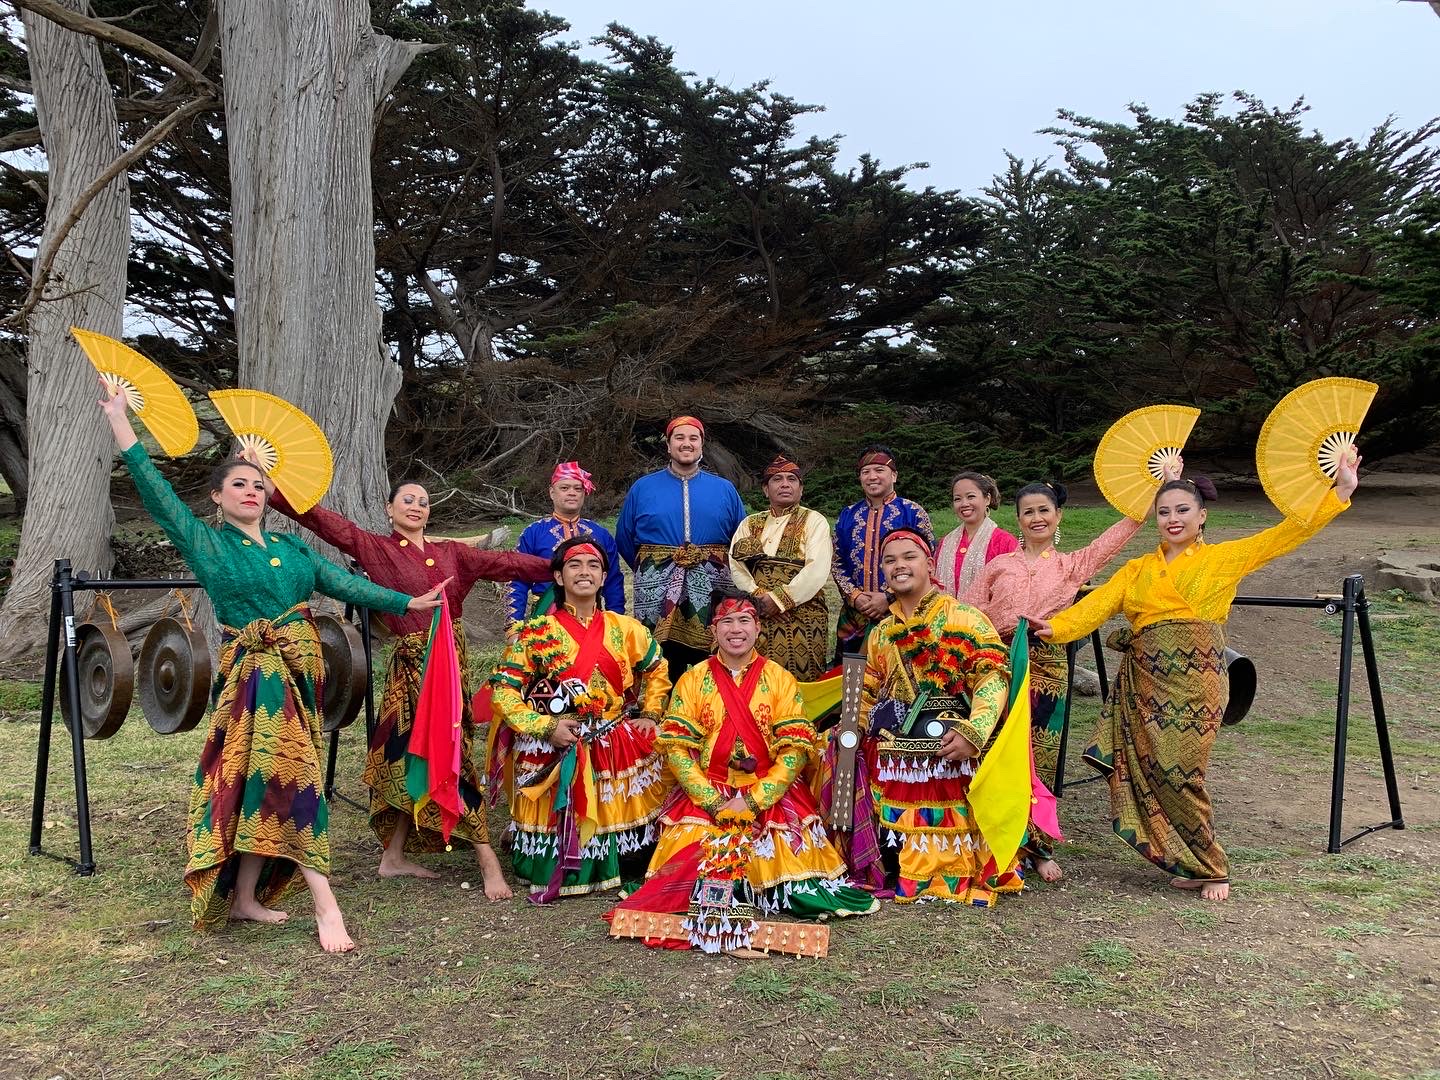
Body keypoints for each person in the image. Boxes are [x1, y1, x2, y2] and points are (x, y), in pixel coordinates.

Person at [100, 385, 448, 952]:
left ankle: (243, 896)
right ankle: (325, 905)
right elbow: (158, 494)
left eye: (258, 483)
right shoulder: (209, 545)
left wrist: (406, 603)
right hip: (255, 676)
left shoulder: (292, 547)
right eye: (239, 483)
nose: (251, 491)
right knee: (298, 778)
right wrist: (121, 422)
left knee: (263, 781)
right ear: (216, 497)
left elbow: (344, 582)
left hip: (302, 677)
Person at [1032, 454, 1362, 902]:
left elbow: (1285, 534)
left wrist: (1340, 491)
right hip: (1145, 680)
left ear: (1201, 515)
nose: (1172, 519)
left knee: (1183, 772)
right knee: (1151, 769)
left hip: (1199, 681)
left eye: (1182, 510)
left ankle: (1214, 867)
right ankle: (1189, 861)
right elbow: (1095, 607)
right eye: (1164, 511)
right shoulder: (1137, 570)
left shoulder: (1226, 559)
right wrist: (1054, 628)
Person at [260, 468, 551, 900]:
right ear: (389, 509)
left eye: (423, 501)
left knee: (444, 748)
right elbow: (327, 523)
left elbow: (506, 563)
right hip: (411, 669)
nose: (416, 506)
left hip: (450, 668)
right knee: (416, 751)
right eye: (408, 500)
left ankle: (394, 855)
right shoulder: (375, 549)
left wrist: (565, 563)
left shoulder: (451, 553)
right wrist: (275, 493)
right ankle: (486, 860)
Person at [620, 590, 877, 952]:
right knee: (689, 861)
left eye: (744, 621)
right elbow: (677, 748)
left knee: (795, 883)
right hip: (707, 792)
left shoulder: (779, 679)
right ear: (713, 629)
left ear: (758, 628)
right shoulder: (693, 679)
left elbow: (795, 750)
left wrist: (754, 802)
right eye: (726, 621)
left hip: (767, 792)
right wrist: (713, 803)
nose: (735, 629)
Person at [963, 466, 1181, 882]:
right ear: (1018, 519)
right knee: (993, 746)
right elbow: (969, 610)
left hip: (1047, 661)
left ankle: (1037, 847)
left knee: (1042, 756)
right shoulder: (997, 565)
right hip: (998, 660)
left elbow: (1119, 535)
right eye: (1028, 512)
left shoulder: (1072, 564)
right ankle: (989, 840)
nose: (1036, 518)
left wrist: (1160, 488)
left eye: (1044, 510)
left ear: (1058, 516)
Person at [490, 536, 673, 901]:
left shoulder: (626, 628)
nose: (584, 573)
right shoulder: (534, 634)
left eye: (593, 566)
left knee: (670, 754)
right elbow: (503, 693)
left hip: (613, 733)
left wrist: (651, 714)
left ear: (604, 578)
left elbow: (657, 668)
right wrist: (545, 726)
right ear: (558, 577)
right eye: (574, 565)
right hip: (556, 739)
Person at [858, 529, 1019, 905]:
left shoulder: (965, 618)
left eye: (909, 557)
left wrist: (973, 731)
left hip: (953, 752)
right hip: (900, 759)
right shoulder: (881, 631)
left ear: (929, 565)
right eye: (890, 560)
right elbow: (866, 689)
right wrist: (855, 730)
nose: (899, 565)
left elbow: (993, 677)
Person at [616, 416, 745, 680]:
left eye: (693, 438)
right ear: (668, 445)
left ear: (701, 444)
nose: (686, 444)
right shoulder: (643, 488)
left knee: (711, 649)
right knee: (660, 654)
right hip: (656, 583)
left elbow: (740, 538)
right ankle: (657, 708)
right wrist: (652, 568)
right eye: (679, 438)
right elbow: (624, 537)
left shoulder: (724, 489)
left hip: (711, 581)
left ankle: (710, 705)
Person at [727, 455, 832, 683]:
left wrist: (780, 600)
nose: (785, 484)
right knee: (752, 676)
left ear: (801, 489)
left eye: (792, 479)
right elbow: (736, 564)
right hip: (756, 610)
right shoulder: (749, 524)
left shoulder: (814, 521)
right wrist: (758, 597)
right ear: (766, 489)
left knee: (802, 677)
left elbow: (817, 569)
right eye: (777, 479)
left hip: (802, 611)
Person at [830, 446, 934, 658]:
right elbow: (837, 563)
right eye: (865, 472)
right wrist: (856, 596)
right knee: (852, 681)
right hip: (855, 616)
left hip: (903, 611)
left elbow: (929, 560)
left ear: (894, 475)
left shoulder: (913, 512)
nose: (872, 477)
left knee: (903, 673)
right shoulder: (847, 515)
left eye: (879, 470)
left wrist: (888, 596)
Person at [507, 461, 624, 629]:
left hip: (592, 619)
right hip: (546, 618)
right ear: (552, 492)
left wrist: (617, 623)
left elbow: (613, 581)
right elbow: (517, 580)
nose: (572, 493)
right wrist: (513, 626)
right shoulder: (533, 533)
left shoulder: (601, 534)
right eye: (565, 488)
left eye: (578, 489)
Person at [936, 471, 1019, 598]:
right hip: (947, 616)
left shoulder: (1004, 542)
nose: (964, 504)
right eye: (957, 499)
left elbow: (1014, 591)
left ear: (987, 499)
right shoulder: (945, 542)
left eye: (971, 496)